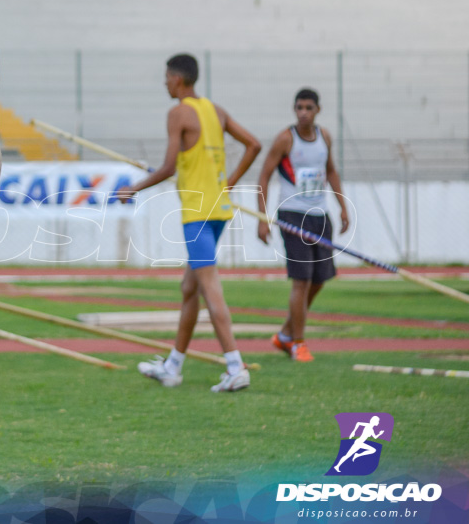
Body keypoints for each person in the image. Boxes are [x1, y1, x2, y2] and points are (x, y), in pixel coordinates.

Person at [116, 54, 262, 392]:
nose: (165, 83)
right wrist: (231, 181)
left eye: (167, 77)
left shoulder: (178, 112)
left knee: (210, 288)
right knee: (190, 289)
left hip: (197, 212)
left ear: (178, 78)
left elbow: (168, 168)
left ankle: (235, 366)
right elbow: (253, 144)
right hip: (219, 210)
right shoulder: (216, 110)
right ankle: (173, 366)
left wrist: (133, 189)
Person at [255, 88, 349, 363]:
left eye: (308, 107)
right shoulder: (286, 139)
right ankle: (298, 343)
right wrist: (263, 218)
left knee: (320, 279)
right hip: (292, 215)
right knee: (302, 280)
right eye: (299, 108)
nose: (303, 113)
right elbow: (264, 176)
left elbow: (330, 170)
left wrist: (342, 206)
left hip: (320, 215)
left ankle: (285, 333)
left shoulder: (325, 137)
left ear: (318, 110)